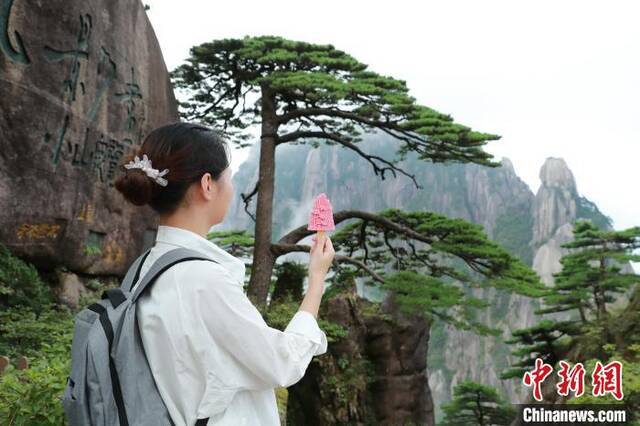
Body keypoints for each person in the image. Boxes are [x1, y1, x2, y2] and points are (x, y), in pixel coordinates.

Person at [114, 122, 335, 425]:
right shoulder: (202, 281)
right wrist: (317, 281)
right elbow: (283, 363)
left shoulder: (144, 268)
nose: (232, 189)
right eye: (228, 178)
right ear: (207, 184)